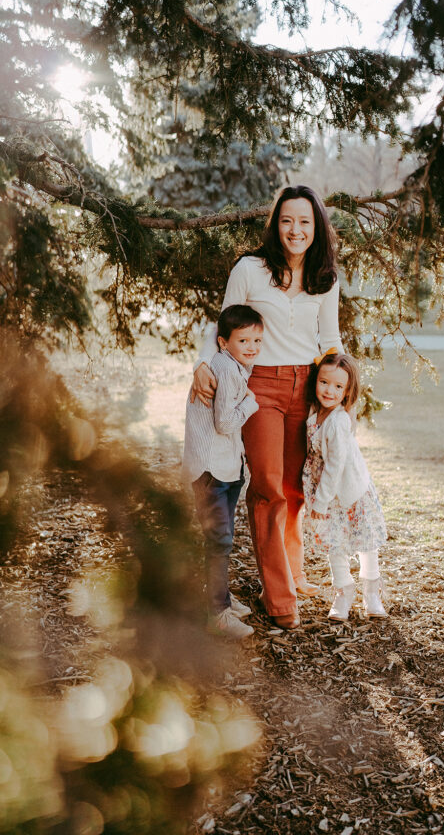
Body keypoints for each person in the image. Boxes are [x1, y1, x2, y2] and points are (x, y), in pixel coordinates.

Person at [191, 185, 342, 630]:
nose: (295, 230)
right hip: (260, 388)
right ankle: (280, 601)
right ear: (276, 225)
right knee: (270, 490)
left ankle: (291, 574)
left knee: (295, 490)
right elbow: (224, 324)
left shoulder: (324, 277)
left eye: (305, 222)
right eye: (287, 220)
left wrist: (343, 392)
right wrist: (203, 362)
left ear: (317, 228)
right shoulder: (251, 269)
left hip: (308, 386)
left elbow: (330, 339)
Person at [183, 304, 264, 639]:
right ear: (222, 342)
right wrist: (251, 401)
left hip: (226, 468)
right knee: (219, 541)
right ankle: (217, 613)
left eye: (257, 340)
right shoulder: (226, 369)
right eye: (243, 339)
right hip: (211, 470)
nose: (252, 347)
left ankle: (222, 600)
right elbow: (226, 421)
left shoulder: (234, 365)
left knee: (222, 539)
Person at [303, 351, 388, 623]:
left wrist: (320, 502)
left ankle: (371, 592)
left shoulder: (338, 421)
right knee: (334, 543)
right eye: (324, 382)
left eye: (339, 387)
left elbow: (335, 467)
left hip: (350, 491)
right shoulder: (314, 412)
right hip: (327, 492)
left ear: (348, 391)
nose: (329, 390)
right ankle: (344, 592)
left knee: (366, 541)